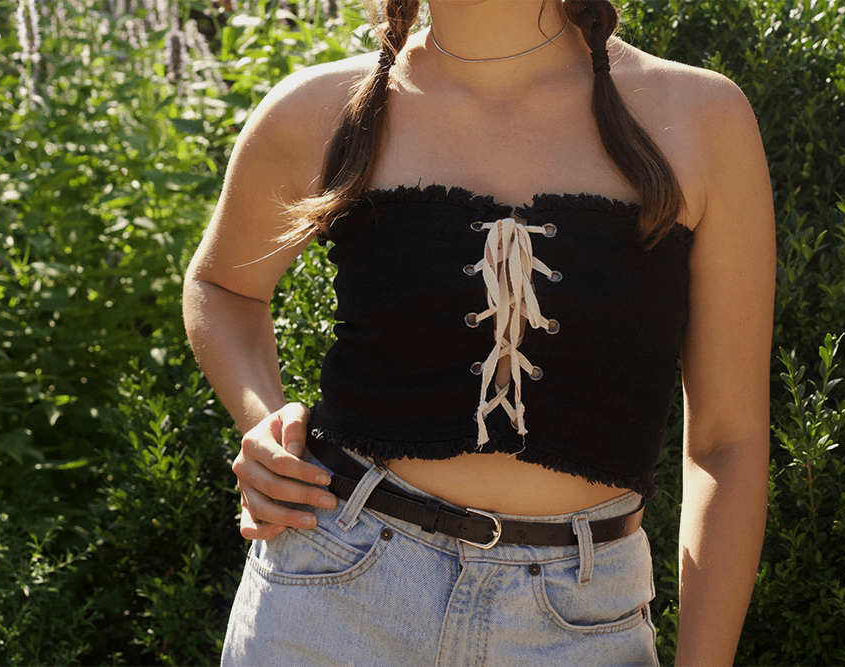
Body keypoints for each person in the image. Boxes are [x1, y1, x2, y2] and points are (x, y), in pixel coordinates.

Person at [183, 0, 774, 664]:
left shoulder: (700, 120)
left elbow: (729, 444)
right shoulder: (320, 108)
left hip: (580, 627)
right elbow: (222, 287)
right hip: (328, 595)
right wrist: (263, 419)